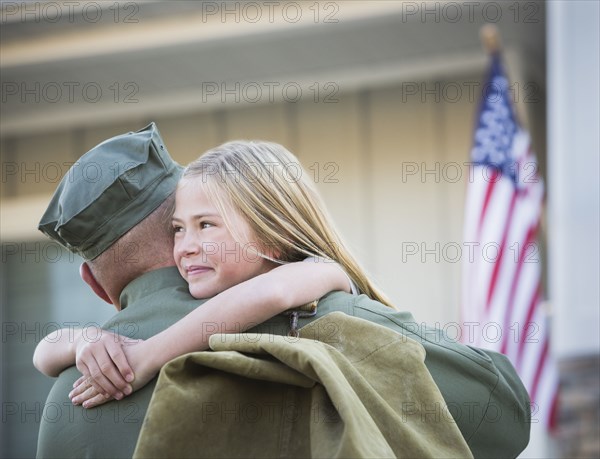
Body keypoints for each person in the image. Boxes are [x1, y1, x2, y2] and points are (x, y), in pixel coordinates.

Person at [36, 124, 531, 458]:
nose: (191, 244)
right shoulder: (332, 324)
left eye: (207, 223)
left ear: (94, 285)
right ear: (173, 231)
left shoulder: (71, 396)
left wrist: (81, 341)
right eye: (183, 228)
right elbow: (505, 419)